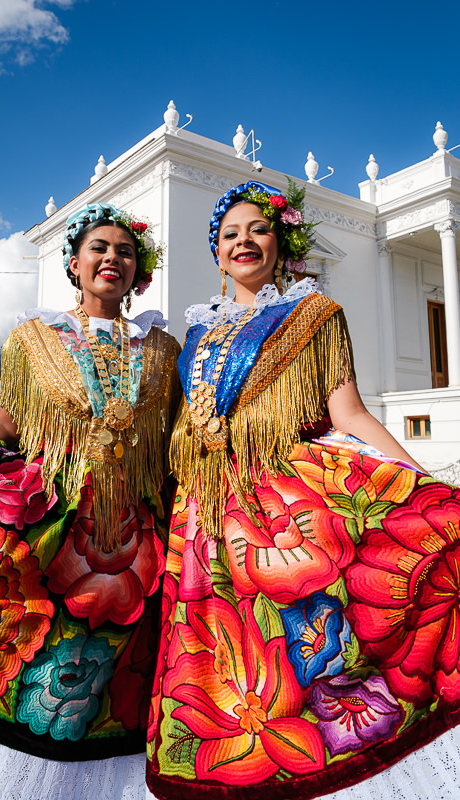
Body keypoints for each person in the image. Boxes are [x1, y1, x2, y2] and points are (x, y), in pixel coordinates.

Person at [146, 181, 460, 800]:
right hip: (206, 517)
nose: (244, 242)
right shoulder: (196, 338)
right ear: (216, 253)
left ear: (281, 244)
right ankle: (236, 758)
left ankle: (324, 748)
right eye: (230, 234)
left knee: (298, 645)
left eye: (257, 230)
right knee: (229, 662)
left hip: (280, 499)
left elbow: (351, 416)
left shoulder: (315, 315)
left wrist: (422, 488)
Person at [0, 202, 180, 800]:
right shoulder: (31, 339)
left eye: (124, 250)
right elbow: (8, 427)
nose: (111, 258)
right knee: (39, 669)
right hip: (51, 527)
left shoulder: (164, 349)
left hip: (135, 544)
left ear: (138, 270)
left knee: (113, 685)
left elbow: (175, 438)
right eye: (99, 248)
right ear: (74, 263)